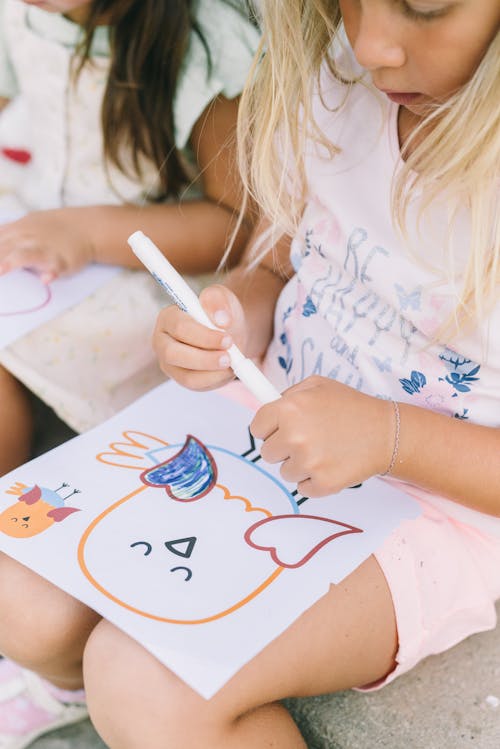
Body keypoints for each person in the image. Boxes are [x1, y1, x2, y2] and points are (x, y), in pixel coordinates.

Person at [0, 0, 499, 747]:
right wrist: (234, 314)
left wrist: (389, 436)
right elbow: (283, 258)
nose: (369, 44)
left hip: (430, 502)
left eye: (422, 5)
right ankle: (62, 687)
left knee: (145, 683)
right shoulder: (340, 75)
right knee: (21, 591)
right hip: (258, 415)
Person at [0, 0, 259, 475]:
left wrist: (84, 232)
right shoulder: (20, 13)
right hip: (35, 227)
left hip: (145, 269)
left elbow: (236, 224)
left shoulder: (206, 44)